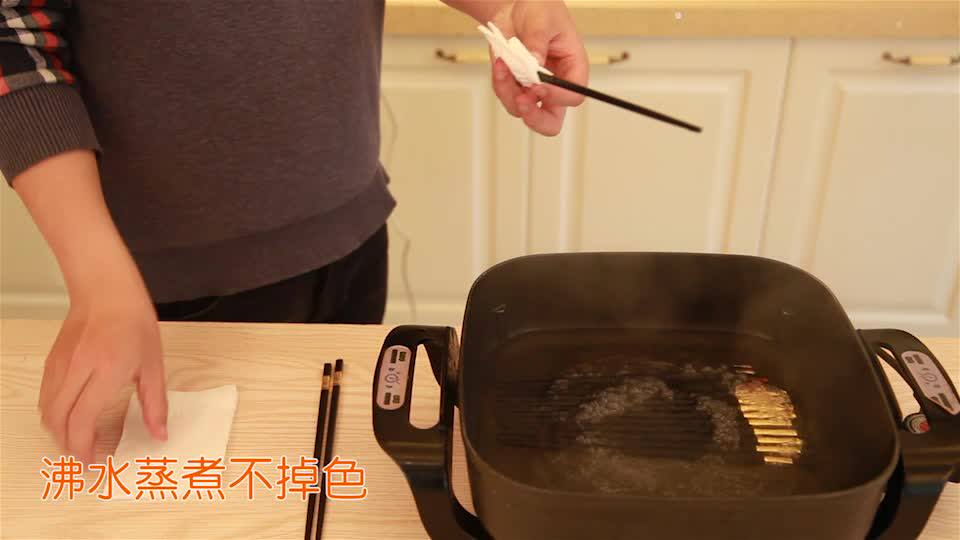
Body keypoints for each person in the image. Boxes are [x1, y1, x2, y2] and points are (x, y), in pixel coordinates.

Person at [0, 1, 588, 464]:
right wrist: (99, 279)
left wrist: (506, 7)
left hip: (353, 232)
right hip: (171, 287)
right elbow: (13, 35)